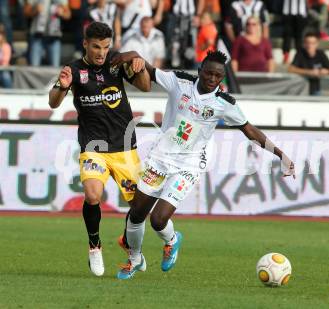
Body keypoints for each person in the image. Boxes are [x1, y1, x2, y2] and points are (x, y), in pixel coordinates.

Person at [114, 50, 296, 279]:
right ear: (200, 71)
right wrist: (132, 54)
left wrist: (281, 155)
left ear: (222, 77)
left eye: (217, 76)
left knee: (158, 220)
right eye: (208, 73)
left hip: (188, 165)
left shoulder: (224, 103)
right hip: (160, 158)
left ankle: (171, 240)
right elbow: (148, 70)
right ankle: (135, 260)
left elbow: (250, 131)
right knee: (136, 214)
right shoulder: (179, 82)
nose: (212, 79)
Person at [48, 21, 150, 277]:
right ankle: (94, 245)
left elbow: (146, 85)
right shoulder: (73, 69)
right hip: (93, 146)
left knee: (139, 207)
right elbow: (53, 102)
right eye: (96, 47)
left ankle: (130, 245)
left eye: (105, 47)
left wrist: (139, 65)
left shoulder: (116, 63)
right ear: (85, 44)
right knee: (93, 196)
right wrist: (62, 85)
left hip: (125, 148)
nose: (101, 52)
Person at [24, 0, 72, 66]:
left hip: (54, 38)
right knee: (34, 70)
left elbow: (68, 15)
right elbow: (25, 12)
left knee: (55, 71)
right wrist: (35, 10)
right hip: (37, 37)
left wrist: (62, 13)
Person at [0, 24, 12, 88]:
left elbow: (5, 62)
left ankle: (10, 93)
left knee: (5, 75)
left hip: (2, 71)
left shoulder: (6, 46)